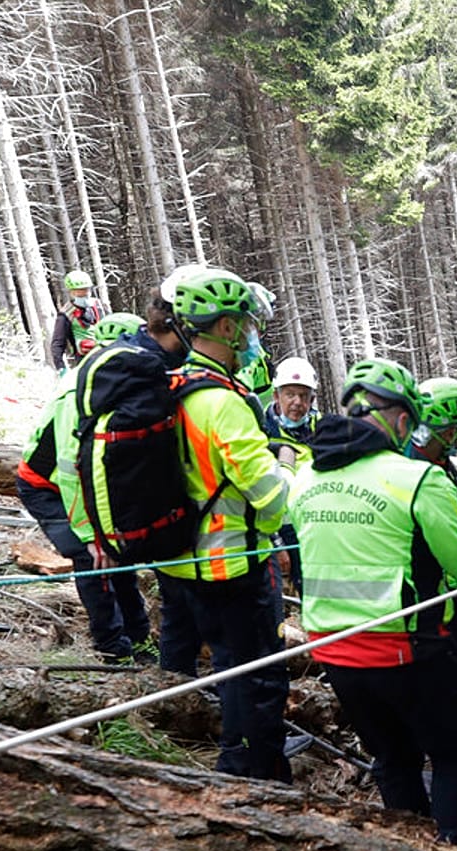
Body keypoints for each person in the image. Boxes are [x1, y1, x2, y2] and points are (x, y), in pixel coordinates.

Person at [291, 358, 457, 848]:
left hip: (334, 652)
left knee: (393, 760)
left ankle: (410, 848)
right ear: (403, 419)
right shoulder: (415, 479)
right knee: (454, 756)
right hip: (411, 653)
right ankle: (454, 849)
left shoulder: (304, 479)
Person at [158, 266, 294, 782]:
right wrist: (288, 470)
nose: (250, 333)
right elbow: (269, 496)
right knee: (255, 676)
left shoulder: (177, 386)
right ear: (225, 327)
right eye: (244, 322)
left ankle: (246, 760)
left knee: (228, 668)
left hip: (186, 563)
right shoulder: (223, 402)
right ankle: (252, 774)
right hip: (233, 562)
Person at [16, 312, 154, 664]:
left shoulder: (111, 385)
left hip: (83, 485)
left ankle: (138, 636)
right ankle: (110, 644)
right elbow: (69, 471)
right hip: (46, 487)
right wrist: (91, 534)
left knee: (117, 552)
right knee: (90, 556)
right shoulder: (77, 390)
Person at [410, 377, 457, 686]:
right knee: (456, 669)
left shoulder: (433, 460)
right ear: (449, 429)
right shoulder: (424, 473)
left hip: (445, 590)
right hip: (437, 595)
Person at [263, 356, 322, 594]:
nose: (297, 402)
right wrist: (276, 541)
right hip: (283, 529)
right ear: (276, 395)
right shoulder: (261, 433)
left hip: (318, 523)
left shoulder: (323, 428)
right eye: (290, 394)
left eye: (304, 396)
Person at [47, 270, 108, 371]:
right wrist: (61, 368)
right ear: (71, 292)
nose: (85, 293)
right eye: (80, 291)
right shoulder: (66, 314)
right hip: (85, 361)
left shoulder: (99, 305)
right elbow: (58, 343)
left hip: (107, 355)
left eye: (87, 289)